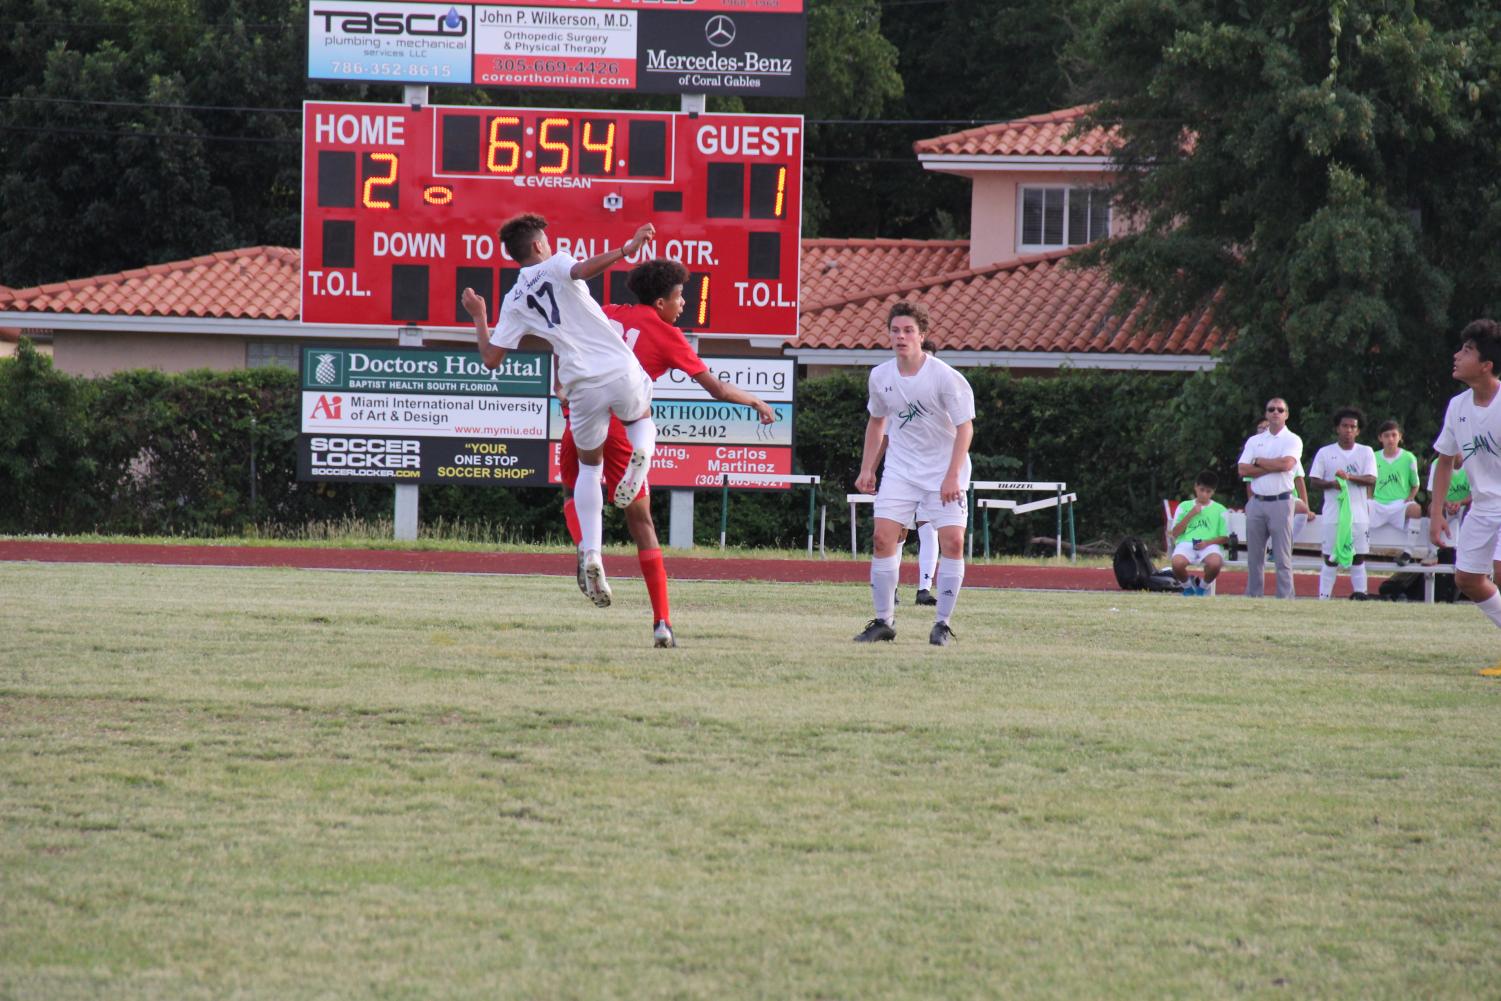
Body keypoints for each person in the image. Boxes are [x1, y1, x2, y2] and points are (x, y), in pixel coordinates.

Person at [555, 259, 777, 648]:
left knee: (574, 494)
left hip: (583, 415)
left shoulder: (606, 313)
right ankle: (662, 623)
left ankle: (587, 550)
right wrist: (755, 400)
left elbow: (564, 338)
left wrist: (561, 387)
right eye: (679, 297)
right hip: (622, 425)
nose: (683, 305)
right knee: (642, 525)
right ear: (660, 302)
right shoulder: (667, 333)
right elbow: (718, 391)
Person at [462, 213, 657, 610]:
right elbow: (584, 268)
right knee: (641, 417)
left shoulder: (514, 299)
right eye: (546, 240)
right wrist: (626, 249)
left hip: (579, 386)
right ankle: (643, 457)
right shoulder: (556, 263)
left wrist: (480, 316)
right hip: (618, 369)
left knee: (589, 469)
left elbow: (491, 358)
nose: (550, 244)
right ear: (538, 246)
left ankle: (591, 554)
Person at [853, 301, 975, 646]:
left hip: (943, 472)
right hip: (901, 471)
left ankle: (942, 624)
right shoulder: (881, 376)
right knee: (882, 539)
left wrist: (952, 476)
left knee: (953, 542)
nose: (901, 336)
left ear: (922, 335)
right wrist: (867, 468)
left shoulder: (945, 377)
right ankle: (883, 621)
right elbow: (877, 422)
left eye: (908, 330)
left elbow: (965, 429)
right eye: (895, 330)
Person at [1429, 319, 1501, 675]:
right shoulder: (1457, 406)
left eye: (1467, 351)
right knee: (1467, 579)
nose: (1457, 356)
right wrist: (1436, 512)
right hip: (1483, 507)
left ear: (1486, 365)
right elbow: (1444, 461)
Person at [1307, 408, 1378, 599]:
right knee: (1331, 557)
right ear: (1337, 428)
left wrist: (1349, 477)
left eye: (1352, 427)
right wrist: (1332, 483)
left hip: (1358, 515)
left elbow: (1371, 479)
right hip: (1333, 515)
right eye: (1344, 426)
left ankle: (1360, 596)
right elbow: (1314, 481)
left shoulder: (1366, 452)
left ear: (1358, 431)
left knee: (1358, 556)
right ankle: (1324, 598)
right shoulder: (1325, 452)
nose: (1348, 430)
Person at [1237, 397, 1303, 598]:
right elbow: (1242, 469)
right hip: (1257, 501)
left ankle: (1284, 598)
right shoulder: (1254, 440)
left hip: (1281, 502)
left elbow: (1286, 465)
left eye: (1280, 409)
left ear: (1286, 414)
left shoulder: (1292, 439)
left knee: (1282, 557)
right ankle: (1253, 596)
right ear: (1266, 413)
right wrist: (1271, 467)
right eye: (1271, 409)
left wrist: (1259, 462)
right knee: (1254, 557)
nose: (1275, 412)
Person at [1168, 470, 1229, 594]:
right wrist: (1190, 514)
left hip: (1209, 544)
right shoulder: (1184, 506)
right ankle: (1187, 587)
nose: (1204, 495)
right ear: (1195, 487)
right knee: (1177, 563)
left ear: (1213, 492)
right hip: (1186, 543)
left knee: (1215, 563)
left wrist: (1206, 543)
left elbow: (1224, 537)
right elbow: (1175, 533)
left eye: (1208, 491)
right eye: (1201, 490)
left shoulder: (1220, 509)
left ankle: (1202, 587)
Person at [1369, 421, 1422, 543]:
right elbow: (1369, 482)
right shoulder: (1373, 457)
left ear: (1400, 437)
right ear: (1380, 438)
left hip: (1400, 503)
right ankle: (1357, 550)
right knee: (1359, 508)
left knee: (1416, 509)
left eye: (1394, 435)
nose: (1390, 439)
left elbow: (1415, 484)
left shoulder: (1409, 457)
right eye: (1386, 435)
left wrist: (1411, 497)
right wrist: (1369, 498)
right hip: (1378, 503)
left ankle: (1408, 552)